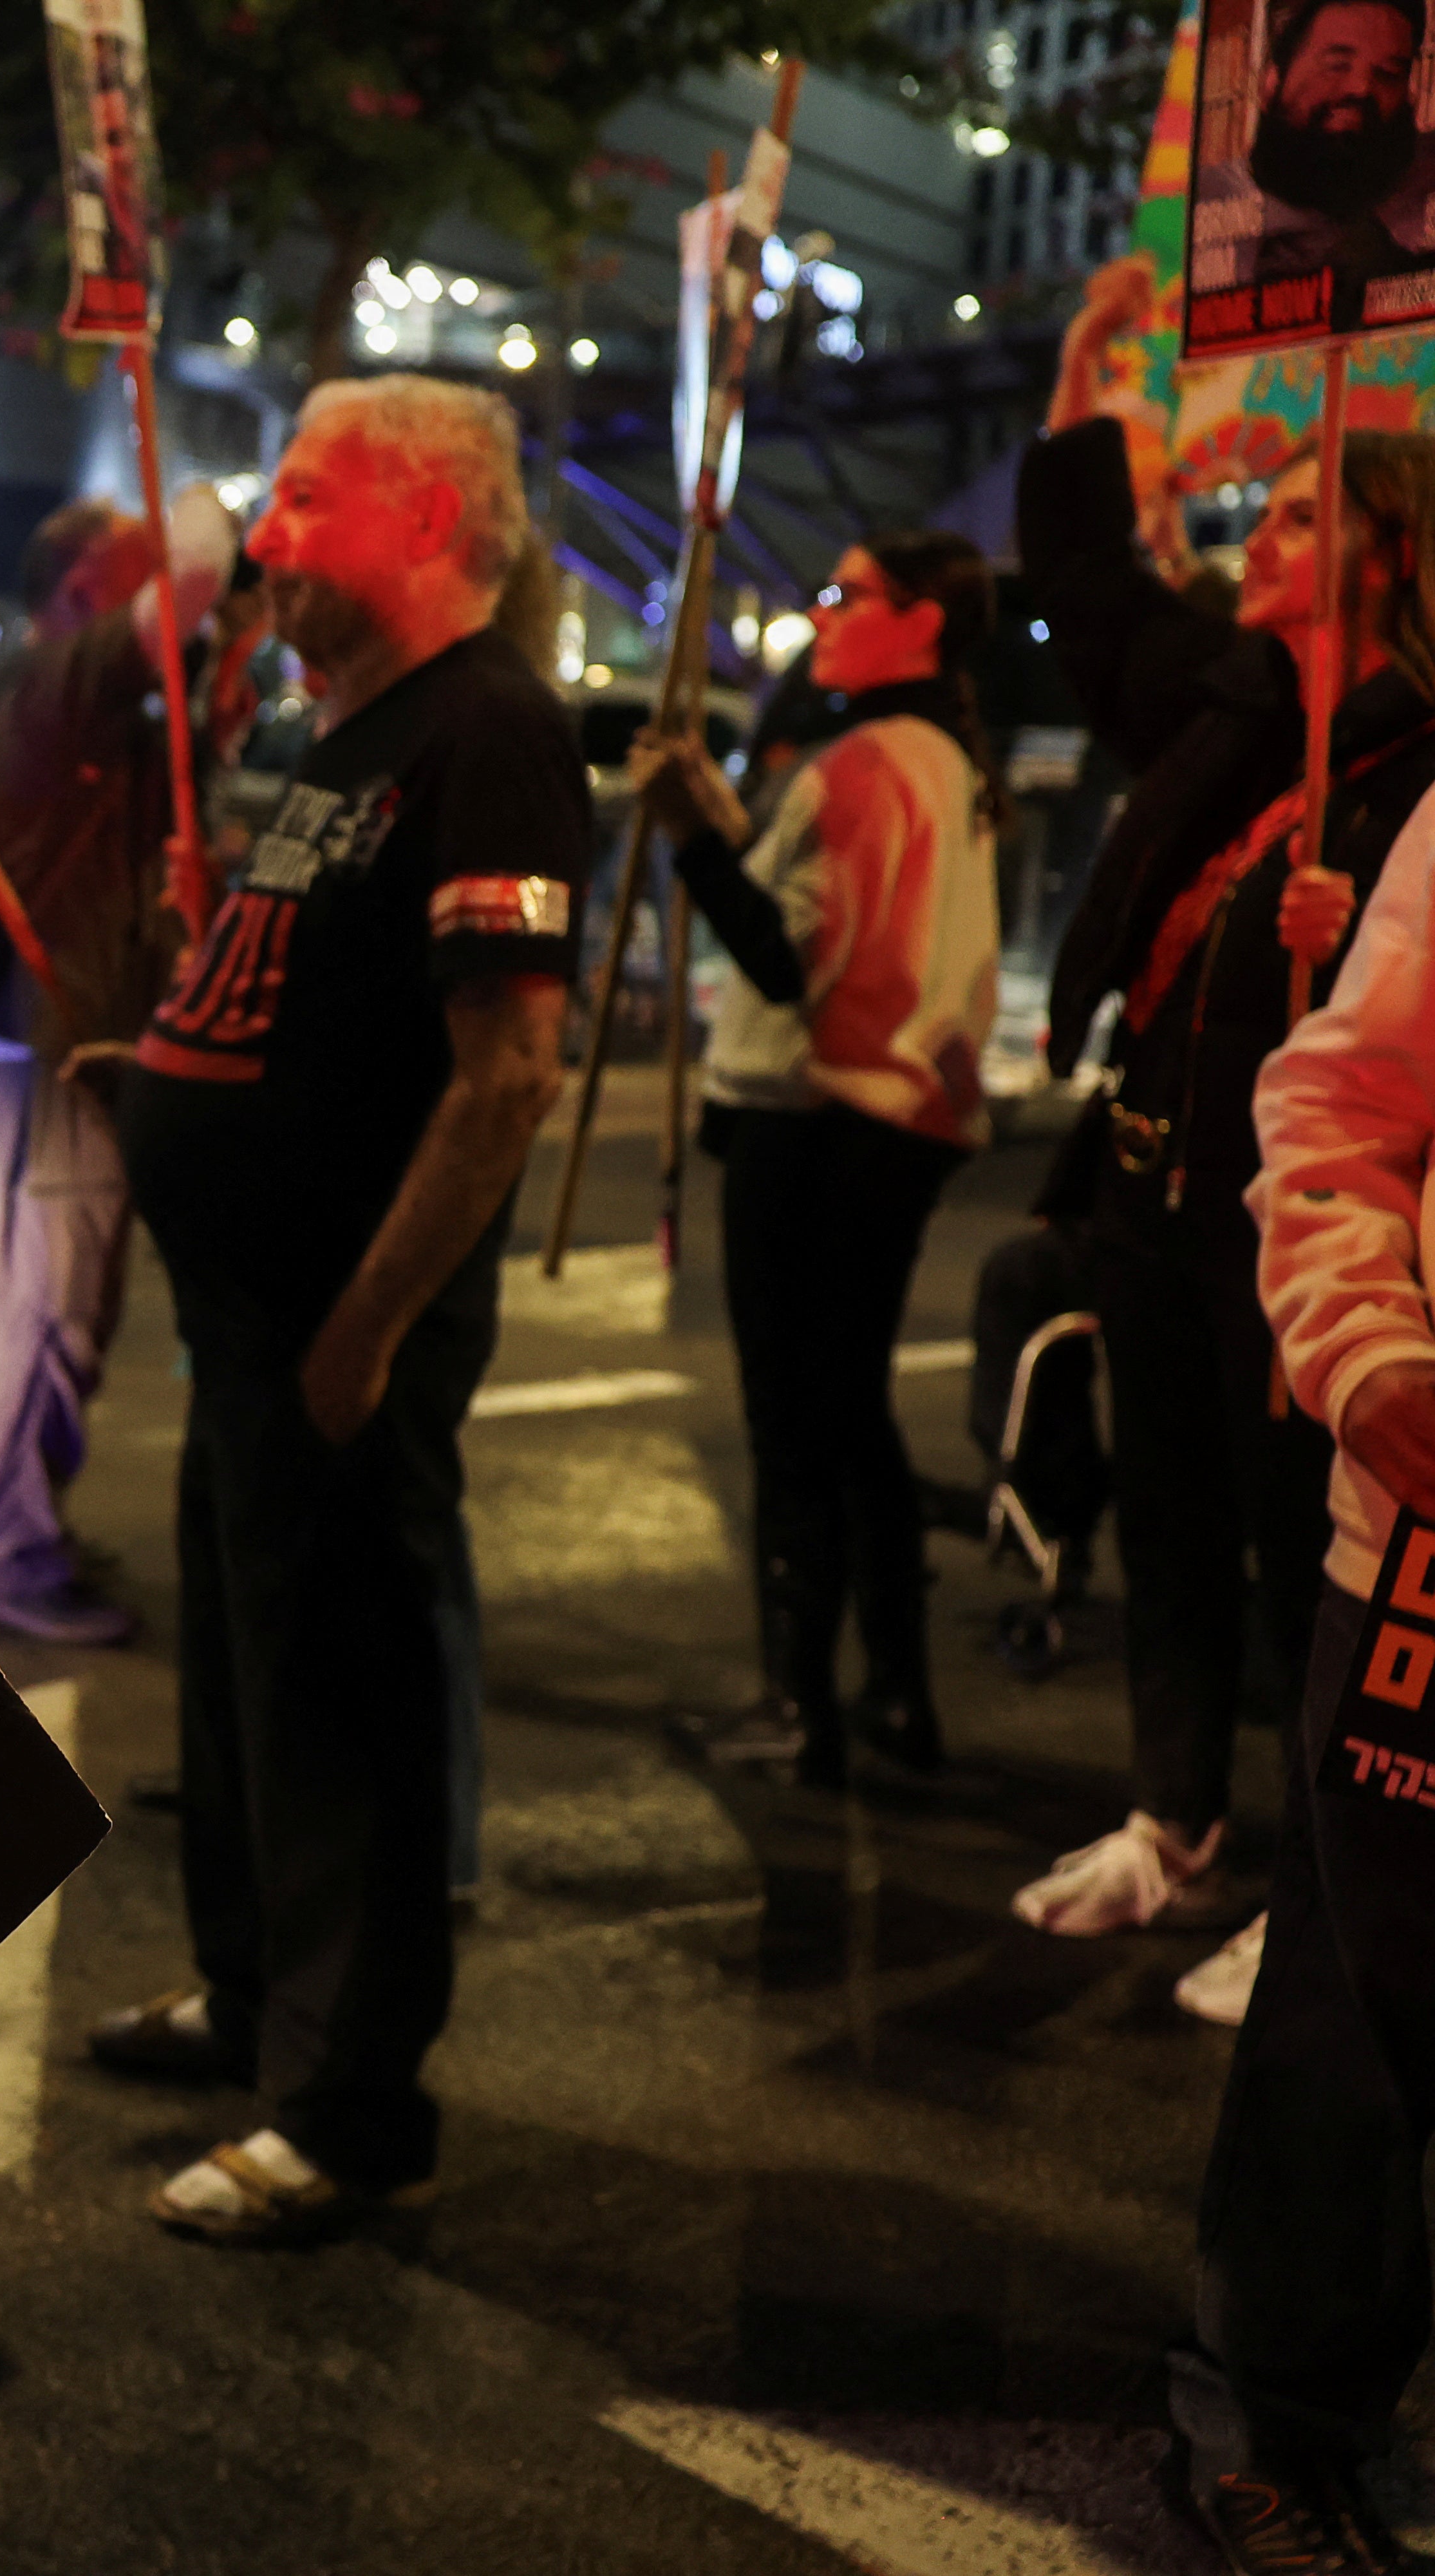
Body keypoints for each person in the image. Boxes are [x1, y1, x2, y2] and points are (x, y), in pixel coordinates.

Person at [73, 374, 583, 2242]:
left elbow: (509, 1071)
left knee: (344, 1705)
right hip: (249, 1326)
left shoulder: (490, 735)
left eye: (303, 500)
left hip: (339, 1336)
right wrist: (170, 1058)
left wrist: (366, 1330)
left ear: (430, 521)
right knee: (244, 1680)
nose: (264, 540)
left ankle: (351, 2105)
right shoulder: (334, 733)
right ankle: (251, 1995)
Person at [1001, 279, 1435, 2015]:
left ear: (1397, 550)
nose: (1262, 533)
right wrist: (1078, 384)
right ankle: (1172, 1820)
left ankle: (1304, 1881)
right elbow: (1089, 587)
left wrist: (1356, 929)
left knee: (1293, 1566)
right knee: (1171, 1528)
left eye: (1308, 512)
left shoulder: (1413, 765)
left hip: (1308, 1251)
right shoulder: (1234, 713)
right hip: (1158, 1198)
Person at [1165, 757, 1435, 2571]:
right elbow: (1334, 1105)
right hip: (1430, 1549)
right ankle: (1274, 2423)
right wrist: (1369, 1362)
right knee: (1367, 2015)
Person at [629, 533, 1004, 1788]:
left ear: (924, 626)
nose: (822, 610)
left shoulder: (860, 767)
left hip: (817, 1126)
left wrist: (687, 840)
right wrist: (730, 826)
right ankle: (896, 1696)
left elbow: (791, 957)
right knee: (853, 1420)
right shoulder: (947, 761)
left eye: (849, 594)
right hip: (897, 1129)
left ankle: (800, 1704)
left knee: (795, 1424)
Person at [0, 495, 223, 1645]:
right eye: (131, 567)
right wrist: (188, 523)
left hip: (75, 1038)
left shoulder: (101, 705)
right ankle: (6, 1556)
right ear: (79, 594)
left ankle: (24, 1526)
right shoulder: (60, 679)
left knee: (69, 1303)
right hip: (46, 1039)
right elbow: (202, 559)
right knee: (51, 1310)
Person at [1192, 0, 1435, 297]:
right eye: (1338, 65)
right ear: (1271, 83)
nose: (1361, 87)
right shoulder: (1193, 204)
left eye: (1387, 73)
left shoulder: (1398, 247)